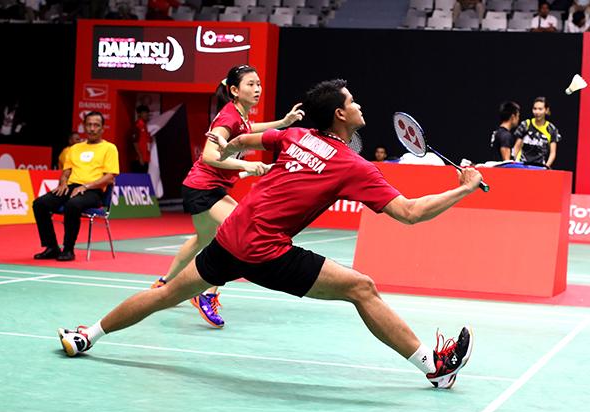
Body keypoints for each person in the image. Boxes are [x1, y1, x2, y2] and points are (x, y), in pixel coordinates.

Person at [57, 79, 480, 389]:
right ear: (339, 114)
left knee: (166, 294)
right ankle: (434, 367)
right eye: (353, 101)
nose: (359, 105)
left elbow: (240, 139)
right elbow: (408, 213)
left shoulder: (294, 136)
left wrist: (223, 138)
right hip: (265, 250)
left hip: (230, 236)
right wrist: (462, 188)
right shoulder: (353, 165)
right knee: (362, 288)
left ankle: (86, 335)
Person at [150, 64, 304, 328]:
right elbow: (209, 156)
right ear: (234, 90)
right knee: (240, 232)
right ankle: (207, 293)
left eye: (258, 84)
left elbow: (249, 128)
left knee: (203, 238)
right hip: (203, 188)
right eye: (250, 84)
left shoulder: (238, 115)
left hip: (202, 186)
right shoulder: (228, 117)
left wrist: (282, 123)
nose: (257, 89)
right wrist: (246, 165)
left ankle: (164, 282)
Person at [32, 112, 119, 262]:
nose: (92, 128)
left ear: (102, 128)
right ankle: (52, 247)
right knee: (40, 204)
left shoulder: (109, 148)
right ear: (84, 126)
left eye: (96, 125)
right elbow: (66, 171)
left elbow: (110, 177)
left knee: (73, 205)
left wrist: (86, 186)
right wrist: (63, 183)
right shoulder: (75, 148)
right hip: (72, 187)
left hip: (94, 191)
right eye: (89, 125)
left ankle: (68, 249)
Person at [514, 97, 561, 168]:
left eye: (540, 109)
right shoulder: (526, 124)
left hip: (539, 167)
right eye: (535, 109)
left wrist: (546, 167)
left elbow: (553, 153)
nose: (537, 112)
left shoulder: (551, 129)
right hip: (522, 165)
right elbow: (517, 146)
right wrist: (515, 163)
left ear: (546, 110)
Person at [131, 105, 152, 173]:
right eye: (144, 113)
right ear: (139, 114)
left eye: (147, 113)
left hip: (145, 158)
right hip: (139, 159)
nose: (146, 114)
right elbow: (134, 142)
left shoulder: (145, 126)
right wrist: (140, 157)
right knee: (137, 180)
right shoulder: (137, 126)